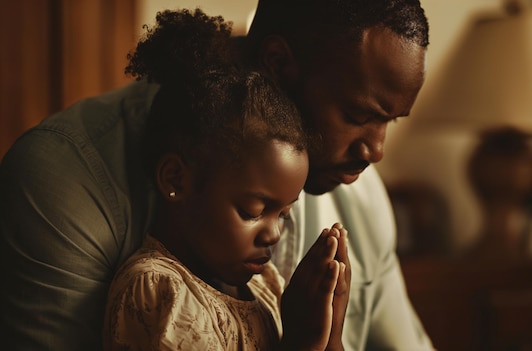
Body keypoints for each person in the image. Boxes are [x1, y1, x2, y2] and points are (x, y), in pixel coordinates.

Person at [0, 1, 432, 350]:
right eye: (358, 115)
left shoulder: (361, 197)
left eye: (390, 122)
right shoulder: (65, 182)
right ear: (279, 62)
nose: (375, 151)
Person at [104, 13, 349, 350]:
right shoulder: (159, 290)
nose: (273, 234)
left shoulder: (267, 287)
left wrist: (329, 328)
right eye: (253, 210)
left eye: (283, 215)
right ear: (175, 179)